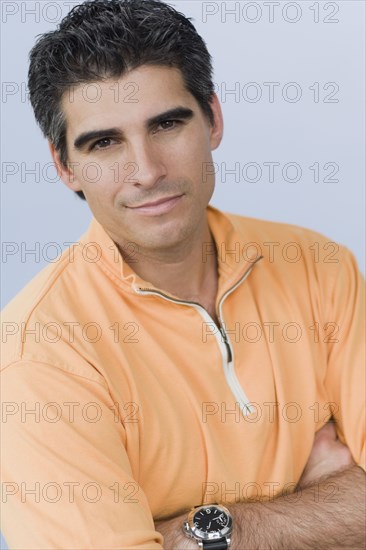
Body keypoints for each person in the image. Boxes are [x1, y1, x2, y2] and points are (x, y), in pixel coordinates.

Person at [1, 0, 365, 548]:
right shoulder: (40, 356)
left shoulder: (319, 267)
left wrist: (195, 535)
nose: (146, 171)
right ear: (65, 167)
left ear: (213, 119)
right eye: (105, 143)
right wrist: (325, 507)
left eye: (167, 124)